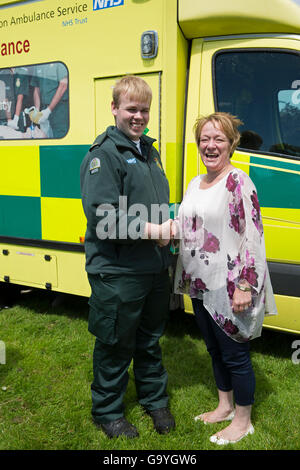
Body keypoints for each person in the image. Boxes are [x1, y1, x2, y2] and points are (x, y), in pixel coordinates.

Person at [173, 112, 277, 446]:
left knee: (235, 354)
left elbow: (252, 236)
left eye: (218, 138)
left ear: (231, 143)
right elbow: (184, 227)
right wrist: (156, 232)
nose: (210, 145)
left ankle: (243, 421)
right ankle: (224, 406)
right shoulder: (194, 183)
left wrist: (246, 284)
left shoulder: (238, 182)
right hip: (199, 283)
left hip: (232, 287)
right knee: (214, 350)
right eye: (204, 138)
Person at [80, 75, 175, 439]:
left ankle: (155, 400)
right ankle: (107, 412)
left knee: (150, 340)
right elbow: (103, 216)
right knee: (116, 343)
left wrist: (170, 227)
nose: (139, 116)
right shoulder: (104, 154)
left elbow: (154, 206)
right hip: (118, 270)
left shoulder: (149, 152)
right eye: (131, 109)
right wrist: (156, 231)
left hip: (152, 267)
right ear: (115, 108)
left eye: (144, 110)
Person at [30, 62, 68, 138]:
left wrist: (49, 110)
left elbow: (63, 85)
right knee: (45, 138)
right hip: (44, 108)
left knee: (60, 138)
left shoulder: (58, 63)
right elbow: (36, 88)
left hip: (60, 110)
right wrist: (37, 109)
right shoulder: (38, 65)